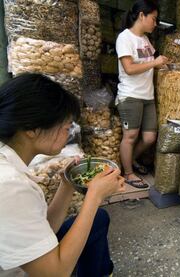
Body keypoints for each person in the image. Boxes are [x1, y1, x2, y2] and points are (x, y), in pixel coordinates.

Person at [0, 74, 125, 276]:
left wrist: (67, 184)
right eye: (66, 127)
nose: (68, 133)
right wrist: (94, 196)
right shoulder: (9, 187)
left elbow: (45, 227)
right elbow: (56, 273)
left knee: (98, 219)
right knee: (94, 215)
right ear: (32, 128)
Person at [116, 0, 168, 188]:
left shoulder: (145, 40)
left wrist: (162, 64)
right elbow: (129, 68)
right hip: (131, 96)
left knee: (148, 138)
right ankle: (128, 173)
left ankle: (130, 160)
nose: (155, 23)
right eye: (154, 19)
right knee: (130, 136)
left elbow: (152, 63)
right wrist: (155, 63)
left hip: (147, 97)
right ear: (141, 16)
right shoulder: (125, 38)